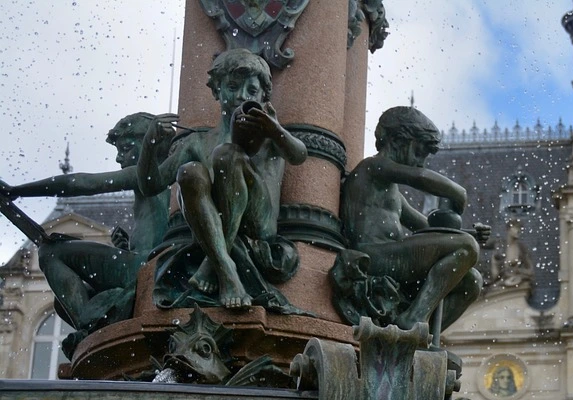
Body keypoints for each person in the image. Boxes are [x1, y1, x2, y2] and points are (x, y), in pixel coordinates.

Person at [139, 49, 307, 311]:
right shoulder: (198, 141)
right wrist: (149, 145)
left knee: (227, 155)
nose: (241, 96)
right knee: (189, 172)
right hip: (211, 223)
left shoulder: (268, 134)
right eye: (232, 87)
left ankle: (212, 264)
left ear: (263, 96)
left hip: (258, 224)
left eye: (251, 91)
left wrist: (275, 130)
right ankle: (225, 266)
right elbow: (151, 184)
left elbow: (299, 155)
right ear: (217, 91)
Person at [1, 112, 172, 338]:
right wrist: (128, 246)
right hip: (150, 265)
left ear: (149, 142)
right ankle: (98, 323)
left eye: (125, 149)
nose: (119, 159)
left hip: (141, 267)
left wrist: (17, 191)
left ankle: (90, 328)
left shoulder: (147, 174)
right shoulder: (170, 176)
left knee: (52, 253)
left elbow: (83, 183)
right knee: (63, 303)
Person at [334, 106, 488, 331]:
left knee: (472, 282)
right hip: (371, 256)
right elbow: (420, 177)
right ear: (398, 140)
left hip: (392, 258)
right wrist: (457, 192)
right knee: (466, 247)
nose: (421, 162)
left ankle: (419, 336)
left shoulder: (393, 193)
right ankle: (414, 319)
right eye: (419, 152)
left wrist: (471, 234)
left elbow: (427, 228)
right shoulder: (371, 167)